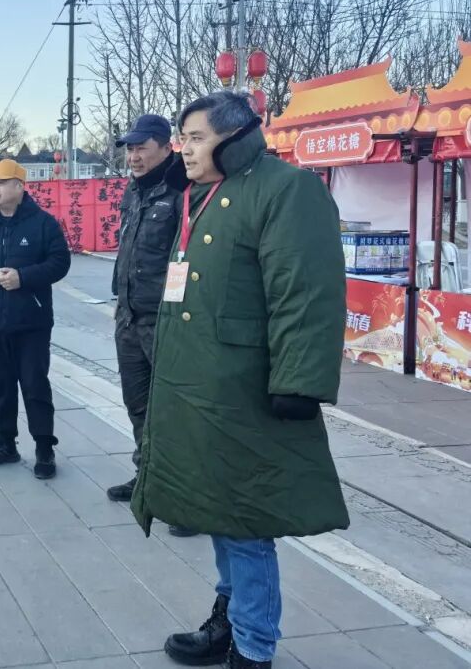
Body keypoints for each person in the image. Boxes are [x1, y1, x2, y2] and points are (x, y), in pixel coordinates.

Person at [131, 90, 348, 669]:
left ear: (233, 137)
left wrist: (300, 381)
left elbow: (305, 292)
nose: (185, 149)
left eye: (196, 138)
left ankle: (253, 648)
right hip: (197, 385)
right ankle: (226, 620)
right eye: (183, 138)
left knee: (246, 523)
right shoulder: (201, 194)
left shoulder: (286, 188)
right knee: (217, 512)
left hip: (246, 390)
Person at [104, 114, 196, 539]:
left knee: (175, 411)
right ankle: (149, 479)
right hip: (129, 317)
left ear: (165, 146)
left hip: (164, 321)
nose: (134, 156)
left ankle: (188, 499)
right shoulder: (134, 191)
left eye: (141, 147)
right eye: (130, 149)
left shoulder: (181, 191)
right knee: (137, 405)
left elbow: (187, 258)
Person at [0, 159, 71, 479]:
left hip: (32, 322)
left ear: (20, 186)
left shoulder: (43, 223)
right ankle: (5, 443)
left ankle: (44, 447)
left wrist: (24, 277)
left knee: (35, 385)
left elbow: (60, 262)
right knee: (1, 386)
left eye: (1, 182)